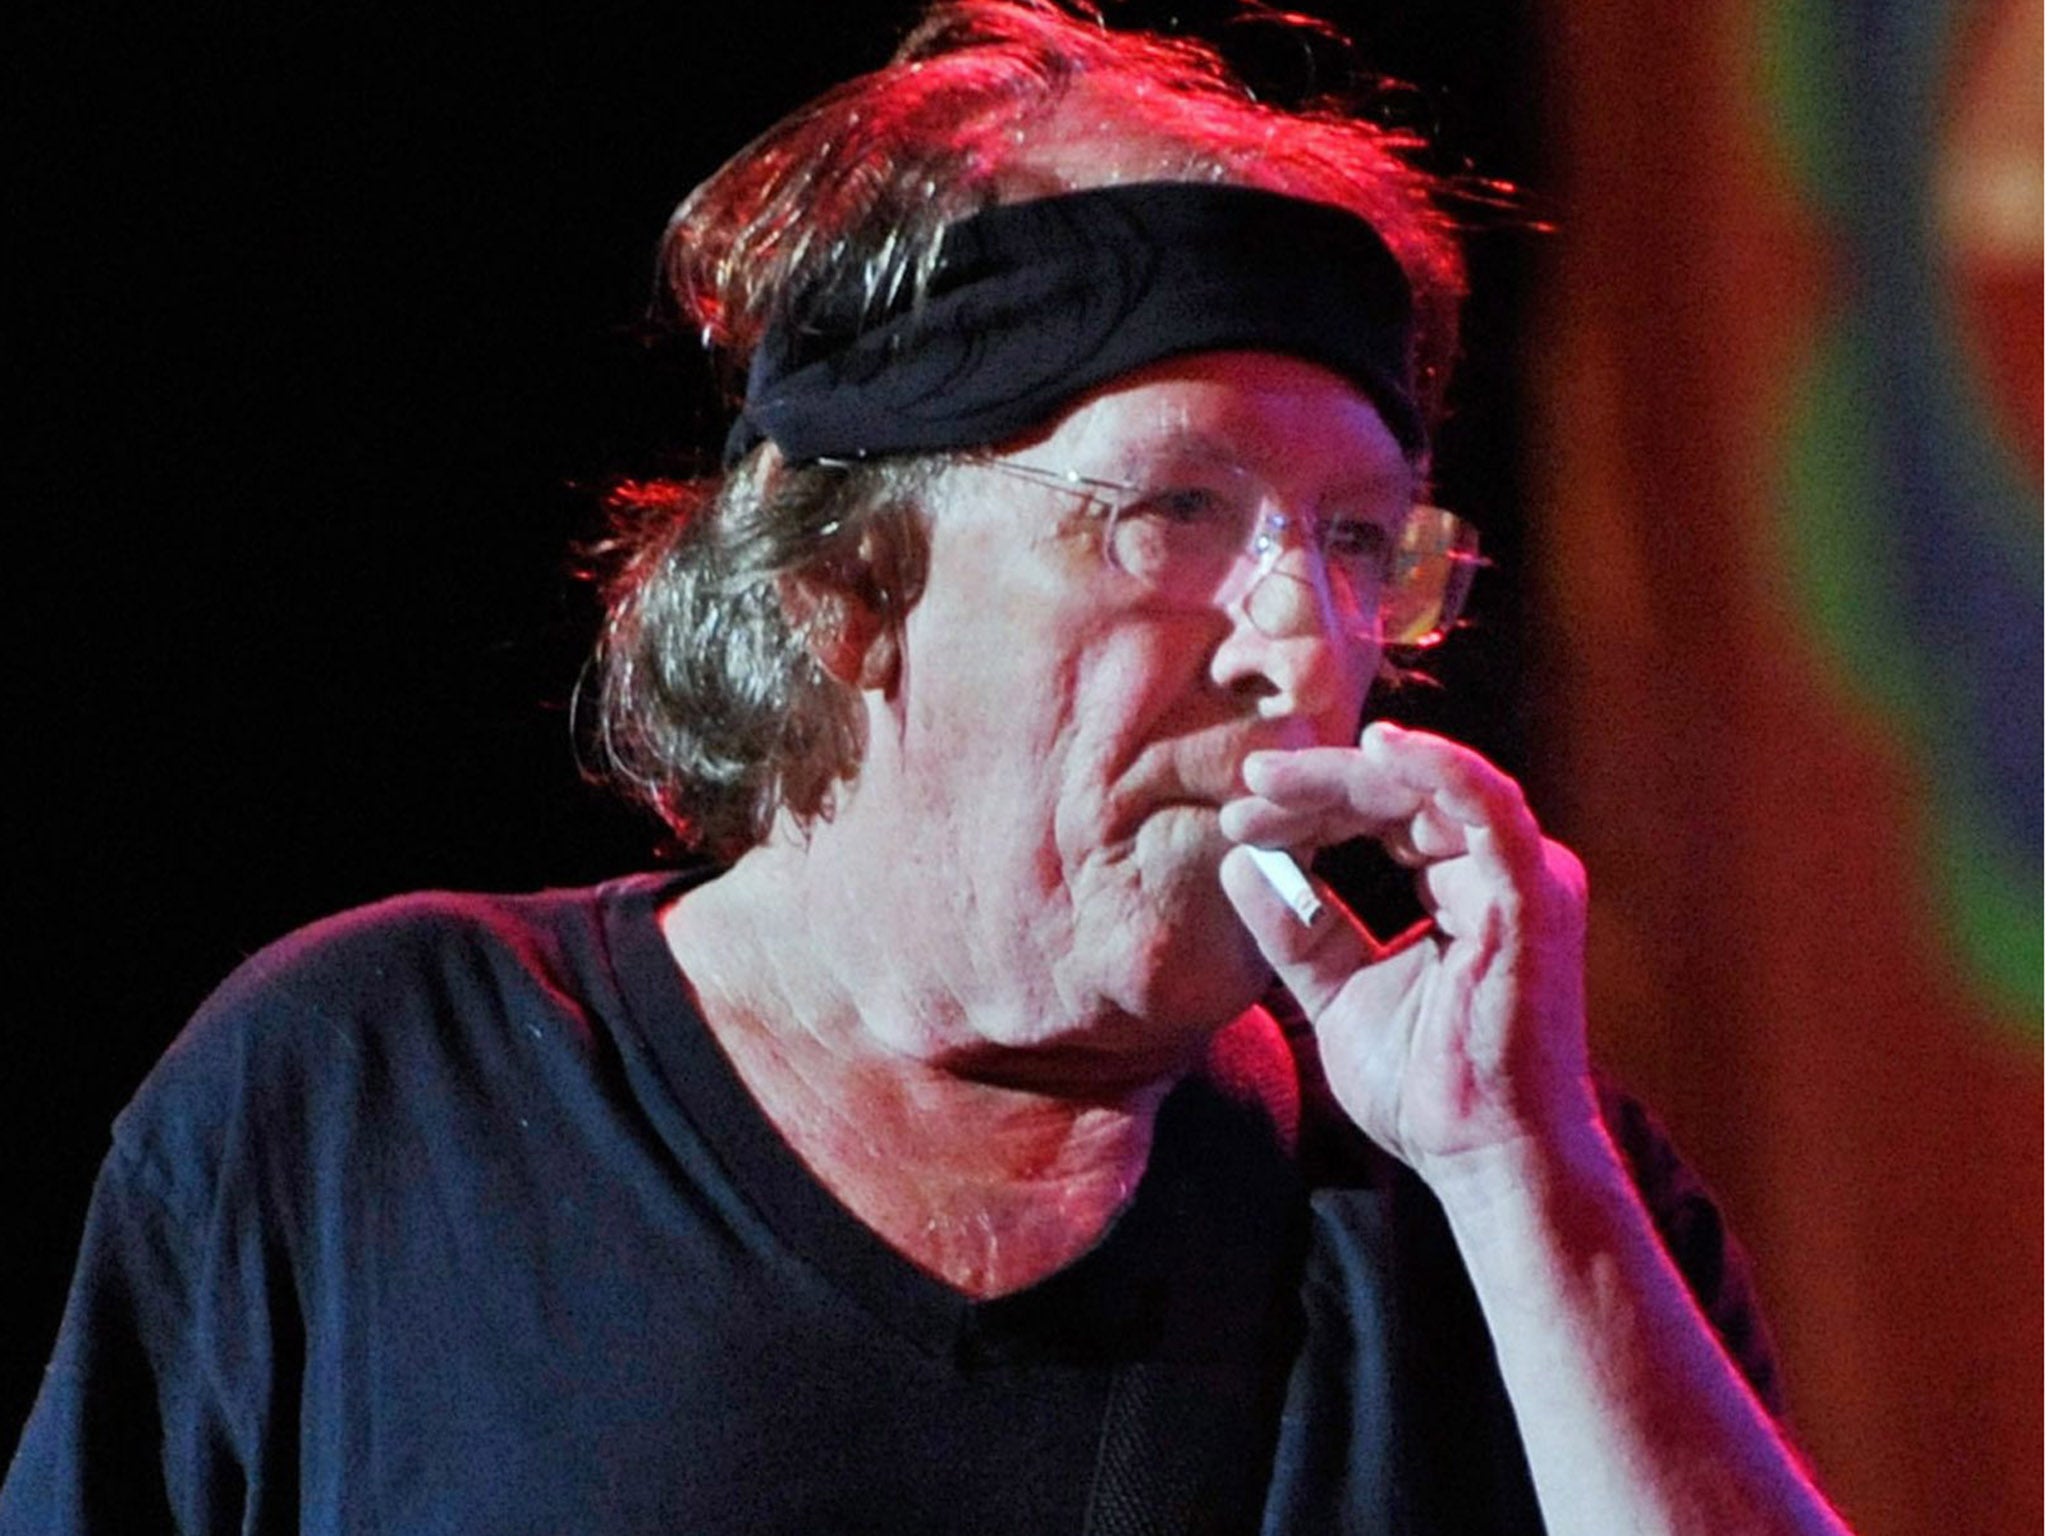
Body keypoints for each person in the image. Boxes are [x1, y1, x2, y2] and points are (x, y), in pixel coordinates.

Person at [2, 3, 1853, 1532]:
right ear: (840, 590)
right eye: (1174, 510)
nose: (1303, 643)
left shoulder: (1505, 1205)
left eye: (1362, 541)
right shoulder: (384, 1096)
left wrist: (1525, 1180)